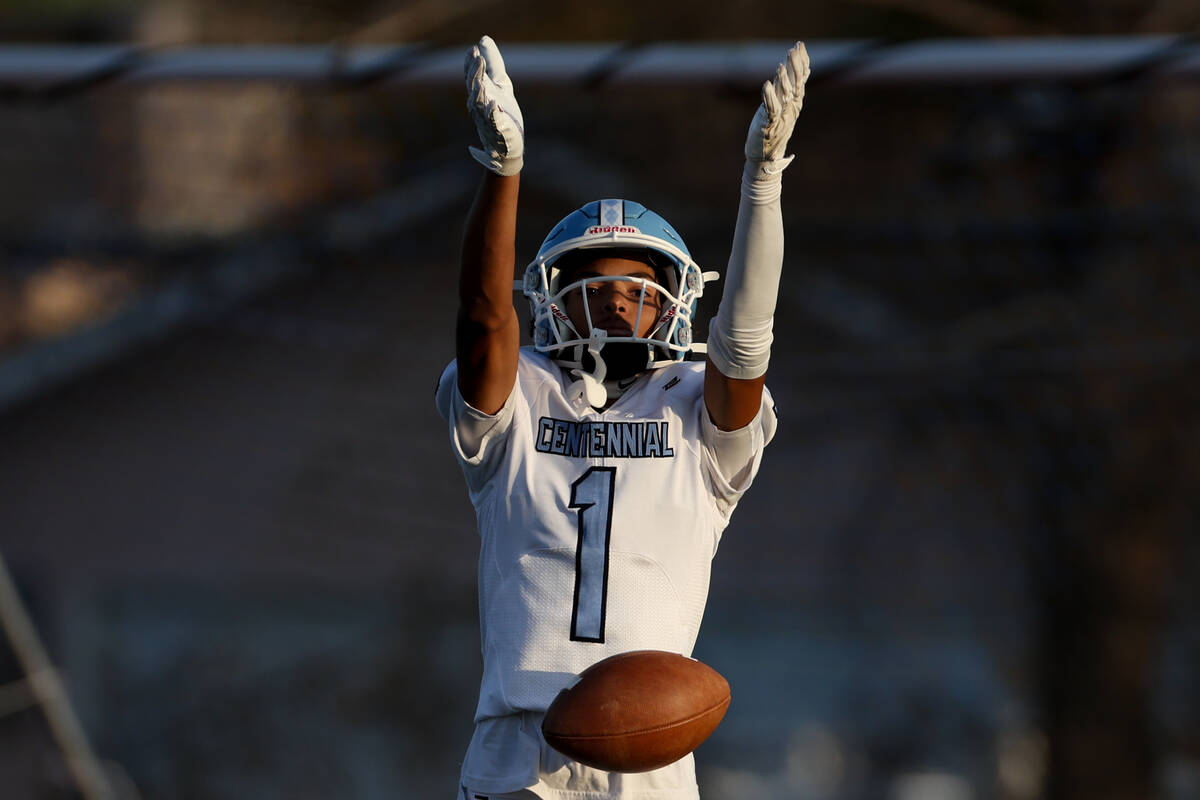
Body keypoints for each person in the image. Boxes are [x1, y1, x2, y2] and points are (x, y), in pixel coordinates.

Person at [436, 34, 809, 800]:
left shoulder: (696, 409)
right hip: (517, 754)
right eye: (593, 284)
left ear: (673, 300)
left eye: (638, 287)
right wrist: (503, 172)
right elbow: (481, 320)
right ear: (549, 296)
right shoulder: (523, 392)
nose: (614, 299)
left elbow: (745, 347)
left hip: (649, 763)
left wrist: (761, 186)